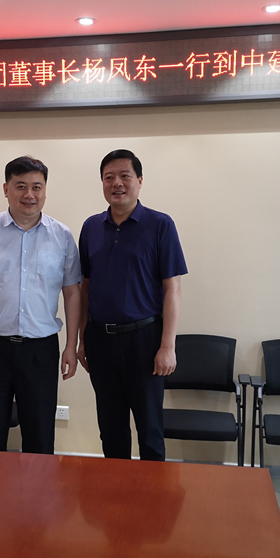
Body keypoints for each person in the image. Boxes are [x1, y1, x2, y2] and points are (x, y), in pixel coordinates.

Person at [0, 156, 81, 454]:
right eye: (21, 186)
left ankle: (37, 486)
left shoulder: (61, 236)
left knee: (39, 433)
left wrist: (71, 346)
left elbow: (73, 293)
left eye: (37, 187)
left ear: (45, 191)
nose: (29, 194)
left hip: (40, 350)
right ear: (6, 189)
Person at [77, 149, 187, 461]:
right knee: (110, 428)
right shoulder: (91, 227)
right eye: (109, 177)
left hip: (145, 341)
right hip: (100, 340)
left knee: (149, 429)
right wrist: (83, 340)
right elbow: (85, 287)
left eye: (125, 176)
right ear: (102, 183)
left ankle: (154, 491)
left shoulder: (160, 224)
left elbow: (172, 289)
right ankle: (116, 490)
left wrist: (167, 346)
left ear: (139, 180)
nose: (117, 183)